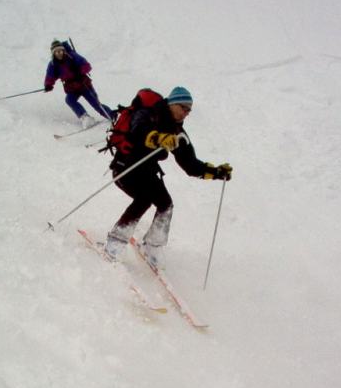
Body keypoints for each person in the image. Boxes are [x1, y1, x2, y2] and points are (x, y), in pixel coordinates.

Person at [104, 86, 232, 268]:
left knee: (165, 204)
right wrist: (157, 138)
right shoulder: (149, 113)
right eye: (183, 107)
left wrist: (217, 172)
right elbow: (138, 130)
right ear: (172, 103)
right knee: (144, 199)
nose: (186, 113)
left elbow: (190, 165)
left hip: (146, 172)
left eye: (189, 110)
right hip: (125, 167)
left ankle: (152, 247)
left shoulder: (177, 131)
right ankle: (114, 244)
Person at [44, 39, 113, 128]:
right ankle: (85, 117)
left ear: (63, 50)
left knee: (95, 104)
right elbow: (50, 76)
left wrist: (80, 71)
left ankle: (112, 115)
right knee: (69, 100)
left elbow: (87, 65)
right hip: (72, 88)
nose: (59, 53)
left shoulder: (72, 56)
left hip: (84, 85)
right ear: (53, 53)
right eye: (56, 52)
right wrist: (48, 85)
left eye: (60, 51)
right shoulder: (53, 64)